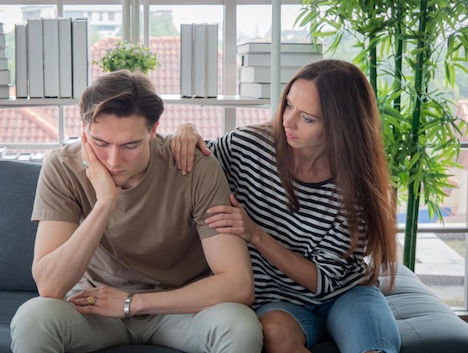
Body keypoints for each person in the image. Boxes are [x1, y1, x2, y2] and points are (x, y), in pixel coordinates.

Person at [10, 69, 263, 353]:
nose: (113, 160)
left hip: (181, 306)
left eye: (130, 145)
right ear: (83, 131)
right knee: (34, 318)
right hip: (96, 304)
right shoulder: (62, 167)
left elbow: (239, 284)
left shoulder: (194, 166)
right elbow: (50, 287)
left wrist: (132, 303)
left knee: (240, 326)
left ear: (153, 131)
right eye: (100, 143)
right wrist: (105, 202)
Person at [171, 59, 400, 353]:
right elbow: (194, 163)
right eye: (289, 105)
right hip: (275, 300)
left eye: (307, 118)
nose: (287, 121)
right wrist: (187, 130)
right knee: (276, 334)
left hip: (344, 295)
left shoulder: (357, 188)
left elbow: (323, 281)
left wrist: (255, 234)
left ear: (340, 126)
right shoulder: (247, 147)